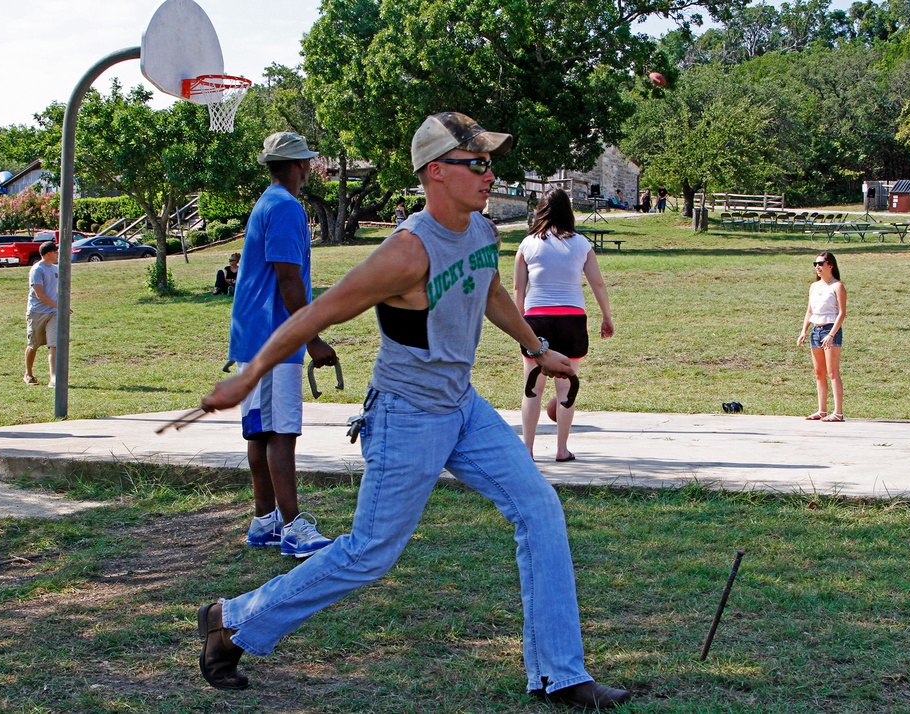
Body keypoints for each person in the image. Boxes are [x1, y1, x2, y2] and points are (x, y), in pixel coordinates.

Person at [195, 112, 631, 710]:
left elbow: (492, 292)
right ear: (434, 174)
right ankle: (232, 619)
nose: (488, 173)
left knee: (540, 508)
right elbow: (314, 315)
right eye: (475, 162)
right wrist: (247, 375)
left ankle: (560, 673)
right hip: (406, 413)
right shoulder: (405, 252)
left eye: (488, 161)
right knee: (370, 553)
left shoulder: (480, 231)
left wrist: (537, 348)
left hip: (462, 405)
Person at [228, 131, 338, 558]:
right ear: (301, 166)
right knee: (281, 432)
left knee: (259, 431)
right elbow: (288, 279)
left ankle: (264, 521)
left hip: (251, 334)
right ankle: (293, 528)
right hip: (277, 338)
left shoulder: (265, 202)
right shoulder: (288, 208)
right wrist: (311, 339)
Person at [514, 188, 614, 461]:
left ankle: (528, 451)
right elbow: (598, 283)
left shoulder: (527, 244)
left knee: (533, 387)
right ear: (568, 211)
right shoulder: (581, 244)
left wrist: (520, 326)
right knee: (566, 386)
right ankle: (561, 449)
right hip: (572, 319)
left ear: (540, 210)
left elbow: (518, 290)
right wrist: (606, 316)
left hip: (536, 320)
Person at [797, 252, 846, 422]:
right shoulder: (814, 286)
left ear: (830, 265)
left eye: (820, 263)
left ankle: (838, 412)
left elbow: (842, 313)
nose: (817, 267)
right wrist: (804, 331)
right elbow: (810, 310)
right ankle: (821, 410)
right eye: (815, 264)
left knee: (832, 372)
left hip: (830, 329)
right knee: (819, 373)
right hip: (816, 331)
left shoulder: (837, 286)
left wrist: (832, 334)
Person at [24, 241, 61, 387]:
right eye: (55, 252)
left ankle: (53, 378)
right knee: (33, 344)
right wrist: (60, 306)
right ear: (48, 254)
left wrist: (59, 306)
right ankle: (28, 374)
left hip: (53, 312)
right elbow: (39, 294)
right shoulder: (37, 270)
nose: (58, 254)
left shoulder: (55, 269)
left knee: (54, 344)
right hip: (37, 313)